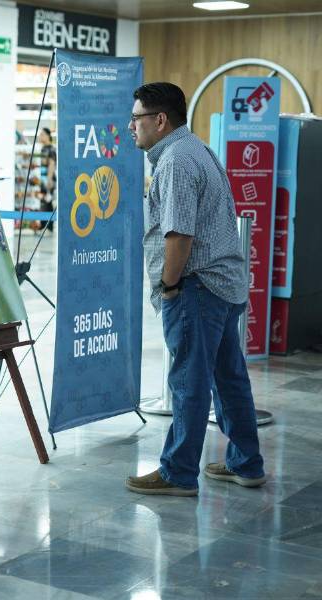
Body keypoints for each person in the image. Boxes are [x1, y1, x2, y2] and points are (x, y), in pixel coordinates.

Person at [125, 82, 265, 497]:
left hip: (197, 288)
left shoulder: (174, 161)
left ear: (160, 120)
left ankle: (178, 472)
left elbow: (179, 235)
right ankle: (247, 463)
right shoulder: (196, 149)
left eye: (136, 119)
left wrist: (169, 285)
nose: (131, 127)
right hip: (223, 284)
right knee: (228, 378)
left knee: (189, 381)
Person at [38, 127, 56, 231]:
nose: (40, 136)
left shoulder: (51, 149)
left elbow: (52, 164)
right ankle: (47, 225)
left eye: (42, 134)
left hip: (48, 179)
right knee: (46, 201)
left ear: (48, 136)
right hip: (43, 179)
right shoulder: (43, 148)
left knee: (46, 200)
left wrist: (49, 180)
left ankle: (45, 224)